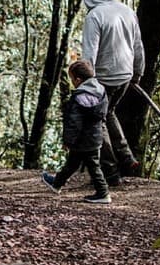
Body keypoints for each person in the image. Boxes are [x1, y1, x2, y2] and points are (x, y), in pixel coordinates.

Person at [80, 0, 144, 185]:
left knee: (96, 122)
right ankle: (127, 157)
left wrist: (86, 83)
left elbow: (89, 53)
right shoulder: (126, 11)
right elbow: (137, 45)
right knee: (109, 113)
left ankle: (110, 173)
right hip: (125, 76)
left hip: (103, 78)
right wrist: (138, 72)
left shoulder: (95, 16)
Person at [41, 60, 111, 204]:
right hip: (96, 136)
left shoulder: (80, 97)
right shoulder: (101, 91)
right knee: (72, 163)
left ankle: (103, 193)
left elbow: (74, 122)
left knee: (93, 166)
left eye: (72, 79)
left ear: (78, 80)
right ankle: (57, 183)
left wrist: (68, 141)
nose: (72, 82)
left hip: (83, 139)